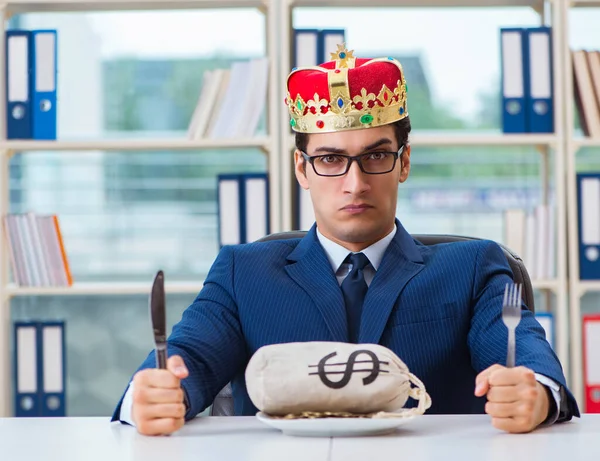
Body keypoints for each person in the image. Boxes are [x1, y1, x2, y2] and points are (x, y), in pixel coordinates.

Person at [112, 45, 579, 436]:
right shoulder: (243, 272)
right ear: (301, 169)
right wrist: (150, 396)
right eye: (331, 160)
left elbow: (531, 360)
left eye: (376, 156)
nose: (355, 184)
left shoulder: (474, 266)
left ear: (404, 162)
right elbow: (188, 355)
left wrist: (534, 394)